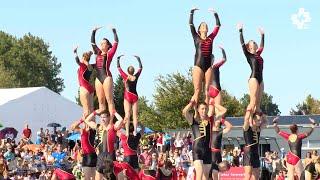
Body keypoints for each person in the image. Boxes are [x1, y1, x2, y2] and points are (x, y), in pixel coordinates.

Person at [189, 7, 221, 104]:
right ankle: (195, 111)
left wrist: (215, 14)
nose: (204, 26)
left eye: (205, 25)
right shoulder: (196, 37)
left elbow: (218, 25)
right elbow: (191, 24)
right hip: (198, 65)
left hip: (208, 66)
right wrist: (191, 13)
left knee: (207, 90)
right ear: (199, 29)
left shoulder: (211, 38)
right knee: (197, 90)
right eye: (202, 25)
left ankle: (206, 115)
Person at [83, 110, 125, 180]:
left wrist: (114, 112)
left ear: (108, 118)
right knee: (98, 178)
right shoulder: (98, 127)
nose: (102, 119)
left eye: (104, 117)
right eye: (101, 117)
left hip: (110, 155)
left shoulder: (113, 127)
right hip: (100, 156)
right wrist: (95, 112)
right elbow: (87, 120)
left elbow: (121, 120)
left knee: (111, 177)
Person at [237, 23, 265, 126]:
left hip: (261, 79)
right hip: (253, 78)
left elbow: (262, 46)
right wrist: (240, 31)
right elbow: (242, 44)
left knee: (257, 105)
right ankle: (247, 121)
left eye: (255, 42)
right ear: (249, 47)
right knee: (252, 101)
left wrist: (262, 35)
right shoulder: (248, 54)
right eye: (252, 42)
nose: (254, 43)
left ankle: (256, 123)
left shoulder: (258, 54)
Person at [91, 25, 118, 121]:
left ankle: (111, 122)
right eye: (101, 43)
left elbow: (116, 43)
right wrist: (94, 31)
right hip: (98, 78)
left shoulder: (109, 53)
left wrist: (114, 31)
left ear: (107, 45)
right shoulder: (97, 52)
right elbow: (92, 43)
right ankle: (103, 122)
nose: (101, 45)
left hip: (106, 77)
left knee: (110, 101)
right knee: (101, 103)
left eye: (103, 43)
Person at [183, 101, 213, 180]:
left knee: (206, 176)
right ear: (198, 110)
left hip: (207, 150)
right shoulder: (193, 120)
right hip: (197, 149)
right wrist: (191, 103)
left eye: (206, 108)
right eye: (202, 109)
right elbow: (184, 112)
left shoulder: (210, 120)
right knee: (199, 173)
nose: (204, 110)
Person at [117, 55, 143, 135]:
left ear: (128, 71)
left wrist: (118, 59)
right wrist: (138, 59)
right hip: (135, 96)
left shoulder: (125, 76)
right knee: (135, 115)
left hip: (127, 96)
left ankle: (128, 131)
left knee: (127, 114)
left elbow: (119, 68)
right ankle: (135, 130)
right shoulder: (136, 76)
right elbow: (140, 68)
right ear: (133, 71)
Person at [243, 112, 268, 180]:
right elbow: (246, 119)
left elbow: (266, 122)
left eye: (260, 120)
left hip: (256, 152)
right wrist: (249, 112)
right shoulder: (247, 127)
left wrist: (262, 114)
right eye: (258, 120)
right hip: (248, 151)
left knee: (256, 174)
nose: (260, 122)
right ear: (253, 120)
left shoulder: (258, 129)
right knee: (248, 175)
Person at [73, 46, 94, 118]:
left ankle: (86, 128)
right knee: (91, 110)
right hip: (90, 88)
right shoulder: (90, 66)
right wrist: (90, 55)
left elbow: (77, 61)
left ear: (83, 58)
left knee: (86, 111)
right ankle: (92, 128)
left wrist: (75, 52)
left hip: (84, 87)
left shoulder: (82, 66)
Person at [208, 46, 227, 120]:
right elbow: (224, 59)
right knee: (218, 111)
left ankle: (208, 125)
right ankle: (216, 126)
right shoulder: (215, 66)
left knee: (210, 112)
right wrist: (223, 50)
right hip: (216, 90)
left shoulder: (205, 70)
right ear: (213, 60)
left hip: (209, 90)